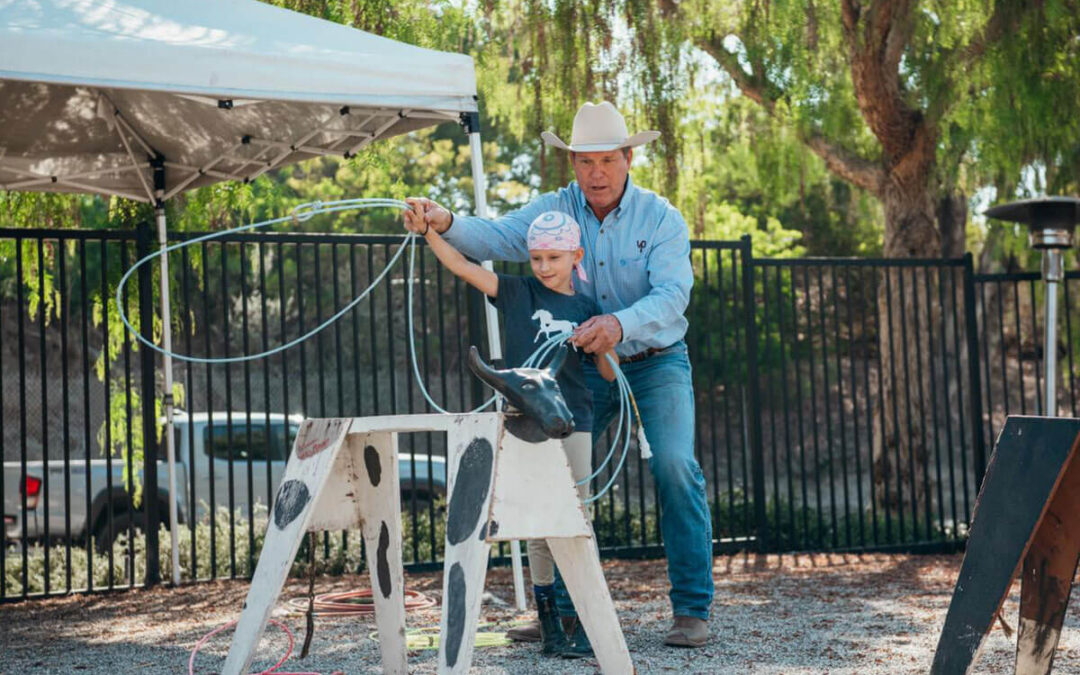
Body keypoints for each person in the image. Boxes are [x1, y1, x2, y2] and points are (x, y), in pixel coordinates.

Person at [404, 101, 714, 648]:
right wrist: (443, 221)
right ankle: (561, 613)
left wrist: (618, 324)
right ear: (572, 163)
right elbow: (493, 238)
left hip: (654, 359)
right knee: (553, 478)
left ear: (628, 159)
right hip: (578, 369)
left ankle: (691, 609)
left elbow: (673, 294)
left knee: (673, 465)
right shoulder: (553, 210)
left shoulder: (661, 217)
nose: (597, 173)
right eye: (585, 161)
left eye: (608, 160)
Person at [402, 206, 616, 658]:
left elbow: (608, 374)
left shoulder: (587, 308)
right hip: (522, 422)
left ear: (575, 256)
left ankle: (584, 621)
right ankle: (550, 626)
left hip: (573, 419)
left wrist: (601, 344)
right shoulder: (517, 291)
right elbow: (463, 267)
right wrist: (428, 234)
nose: (544, 267)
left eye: (554, 258)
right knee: (538, 524)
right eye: (536, 258)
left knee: (577, 520)